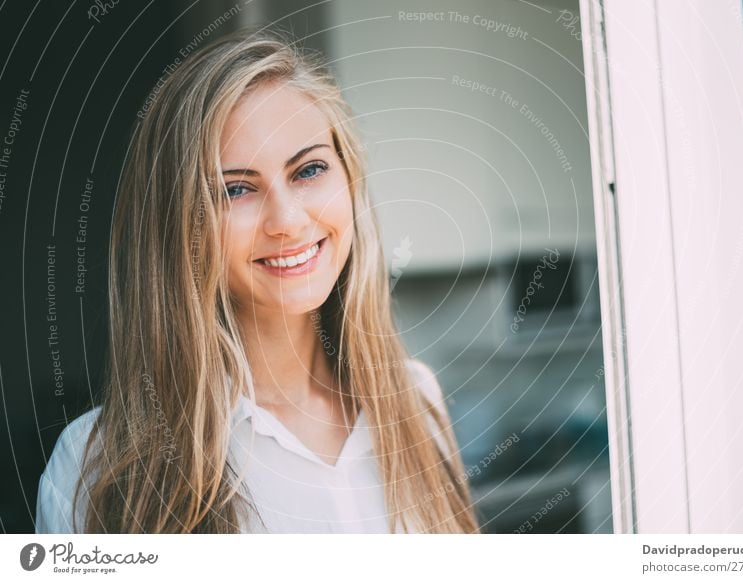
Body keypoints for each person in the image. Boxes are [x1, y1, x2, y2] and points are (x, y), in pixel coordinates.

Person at [34, 27, 479, 534]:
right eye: (237, 189)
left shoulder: (417, 400)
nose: (287, 220)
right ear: (179, 226)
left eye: (309, 170)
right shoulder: (94, 467)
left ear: (348, 178)